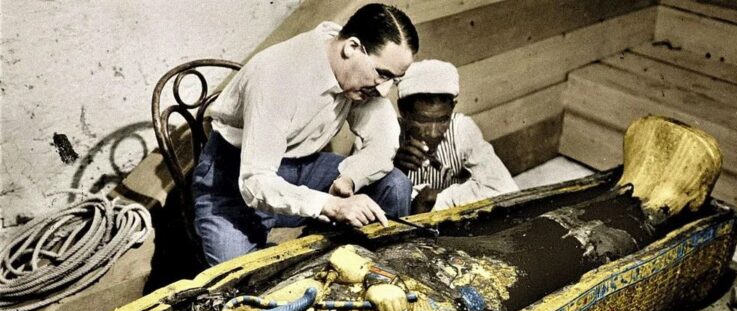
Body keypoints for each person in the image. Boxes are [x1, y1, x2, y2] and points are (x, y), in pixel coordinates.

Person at [192, 4, 419, 265]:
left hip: (301, 167)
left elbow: (383, 139)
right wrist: (332, 205)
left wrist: (351, 178)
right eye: (382, 74)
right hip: (233, 180)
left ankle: (384, 272)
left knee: (395, 185)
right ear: (352, 47)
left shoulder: (353, 66)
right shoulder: (277, 75)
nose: (383, 90)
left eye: (394, 80)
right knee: (240, 277)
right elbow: (256, 182)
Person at [394, 60, 519, 214]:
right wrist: (395, 172)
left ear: (452, 108)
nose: (433, 133)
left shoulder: (461, 128)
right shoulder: (389, 133)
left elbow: (506, 190)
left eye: (443, 120)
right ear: (403, 110)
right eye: (422, 120)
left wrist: (437, 199)